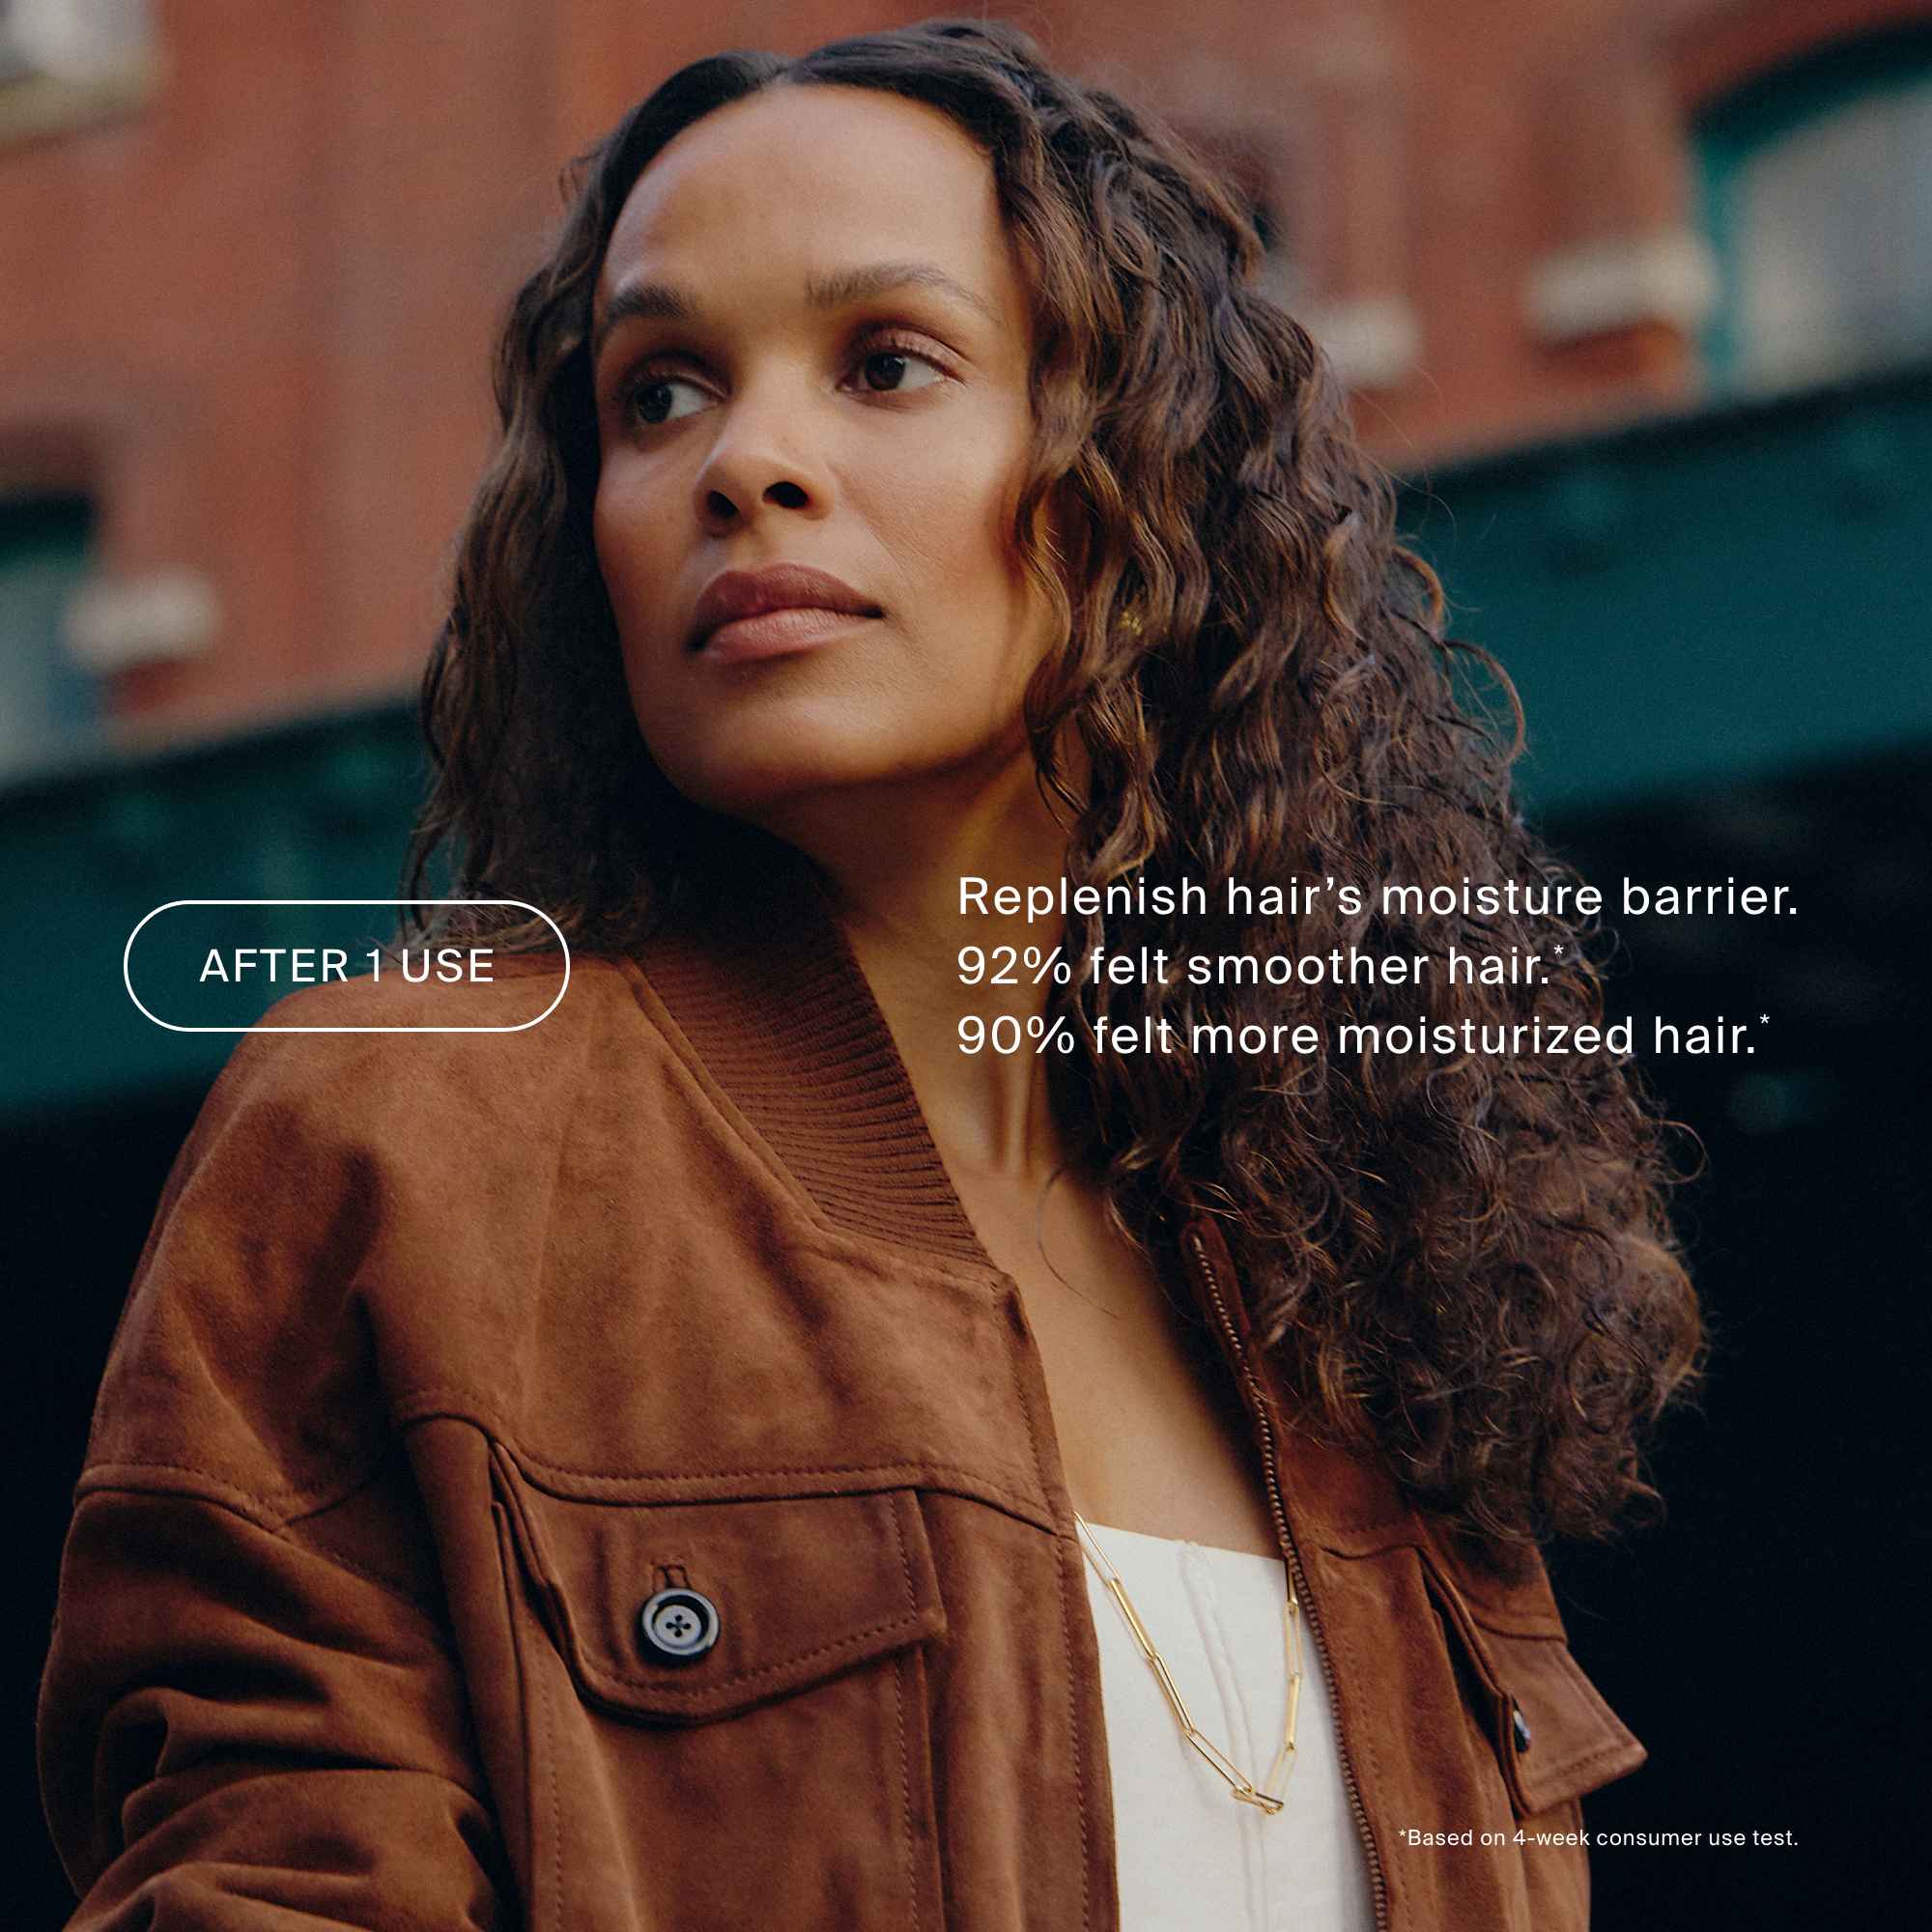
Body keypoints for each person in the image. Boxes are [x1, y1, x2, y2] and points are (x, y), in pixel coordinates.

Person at [37, 16, 1704, 1930]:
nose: (746, 461)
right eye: (657, 393)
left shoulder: (1345, 1267)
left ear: (1127, 479)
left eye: (883, 363)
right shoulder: (417, 1128)